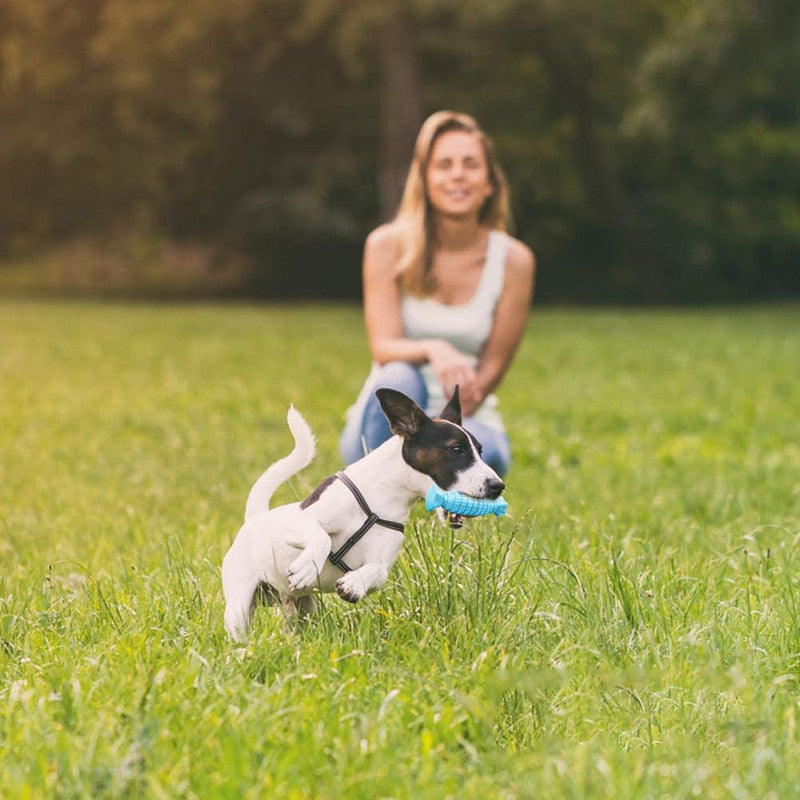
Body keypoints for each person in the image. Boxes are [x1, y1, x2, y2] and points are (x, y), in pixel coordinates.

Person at [339, 110, 535, 477]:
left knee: (482, 455)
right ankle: (376, 492)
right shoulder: (385, 245)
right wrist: (434, 347)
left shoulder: (515, 260)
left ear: (490, 181)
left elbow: (495, 364)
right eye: (444, 164)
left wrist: (447, 424)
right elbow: (383, 346)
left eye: (470, 164)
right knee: (398, 374)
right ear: (425, 180)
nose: (457, 174)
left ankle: (443, 499)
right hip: (389, 419)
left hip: (466, 412)